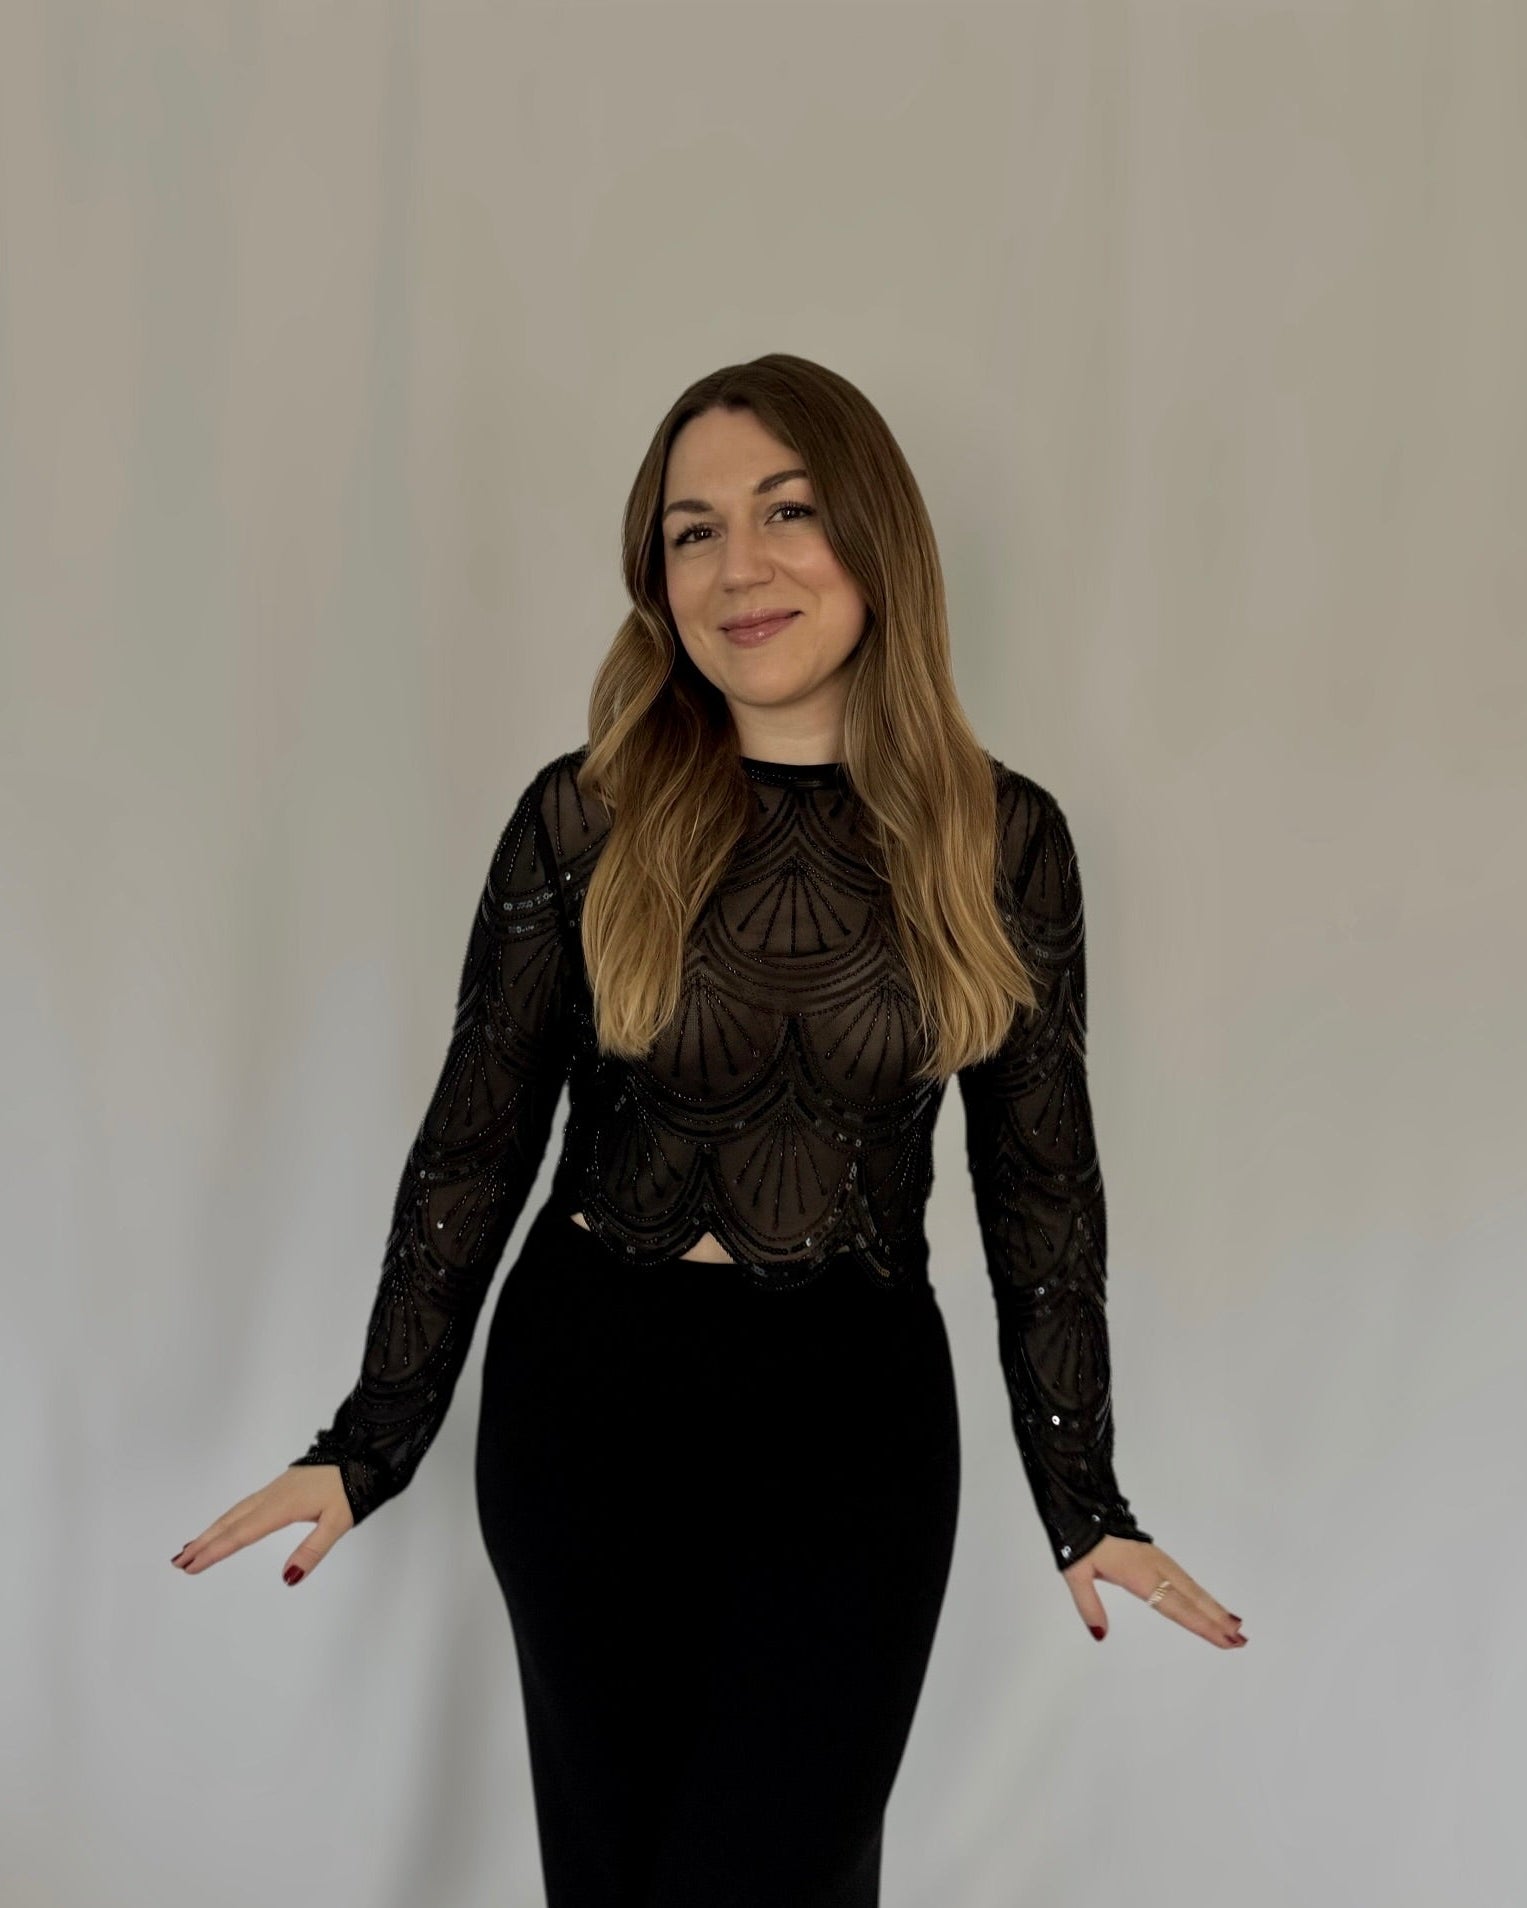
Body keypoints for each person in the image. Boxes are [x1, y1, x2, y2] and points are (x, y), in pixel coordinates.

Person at [172, 353, 1246, 1907]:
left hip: (855, 1433)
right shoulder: (588, 816)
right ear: (655, 575)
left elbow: (1042, 1189)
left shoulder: (1002, 841)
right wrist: (370, 1441)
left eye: (787, 512)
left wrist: (1084, 1496)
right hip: (588, 1413)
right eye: (692, 531)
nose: (739, 567)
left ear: (876, 537)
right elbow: (475, 1142)